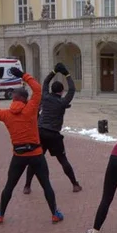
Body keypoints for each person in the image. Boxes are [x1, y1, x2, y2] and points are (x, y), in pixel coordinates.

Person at [0, 67, 63, 223]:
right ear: (25, 99)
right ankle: (55, 213)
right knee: (46, 185)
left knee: (9, 186)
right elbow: (38, 90)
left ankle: (0, 214)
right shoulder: (30, 109)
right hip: (36, 154)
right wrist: (24, 75)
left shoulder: (5, 114)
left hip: (19, 156)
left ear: (13, 98)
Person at [23, 63, 81, 195]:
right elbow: (72, 89)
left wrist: (54, 71)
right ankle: (75, 184)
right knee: (62, 160)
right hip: (54, 134)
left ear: (51, 90)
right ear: (61, 92)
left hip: (40, 132)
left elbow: (45, 81)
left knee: (34, 160)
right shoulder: (62, 102)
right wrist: (67, 74)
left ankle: (27, 186)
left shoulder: (45, 96)